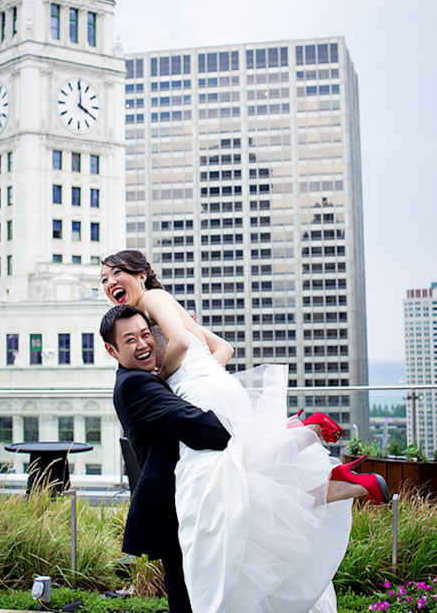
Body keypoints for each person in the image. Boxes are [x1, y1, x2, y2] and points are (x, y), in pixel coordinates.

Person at [101, 250, 389, 613]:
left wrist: (169, 378)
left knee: (211, 503)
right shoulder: (161, 308)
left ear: (142, 275)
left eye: (118, 273)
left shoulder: (154, 301)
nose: (111, 282)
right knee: (246, 486)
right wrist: (200, 374)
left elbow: (183, 345)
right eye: (104, 280)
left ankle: (300, 435)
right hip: (219, 383)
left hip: (200, 391)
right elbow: (223, 348)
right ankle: (315, 460)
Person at [101, 304, 231, 613]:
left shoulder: (146, 378)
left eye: (146, 335)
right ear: (112, 350)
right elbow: (197, 425)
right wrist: (244, 435)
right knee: (186, 588)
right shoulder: (134, 385)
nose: (143, 344)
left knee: (188, 585)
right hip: (171, 502)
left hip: (184, 496)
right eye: (130, 340)